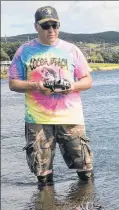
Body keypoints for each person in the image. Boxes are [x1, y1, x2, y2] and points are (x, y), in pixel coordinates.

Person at [8, 6, 94, 184]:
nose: (51, 30)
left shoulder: (71, 50)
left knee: (85, 170)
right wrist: (35, 86)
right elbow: (13, 83)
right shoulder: (24, 51)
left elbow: (87, 81)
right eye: (45, 25)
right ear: (36, 27)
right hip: (38, 119)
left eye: (55, 25)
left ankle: (83, 207)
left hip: (70, 117)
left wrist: (71, 86)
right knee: (43, 174)